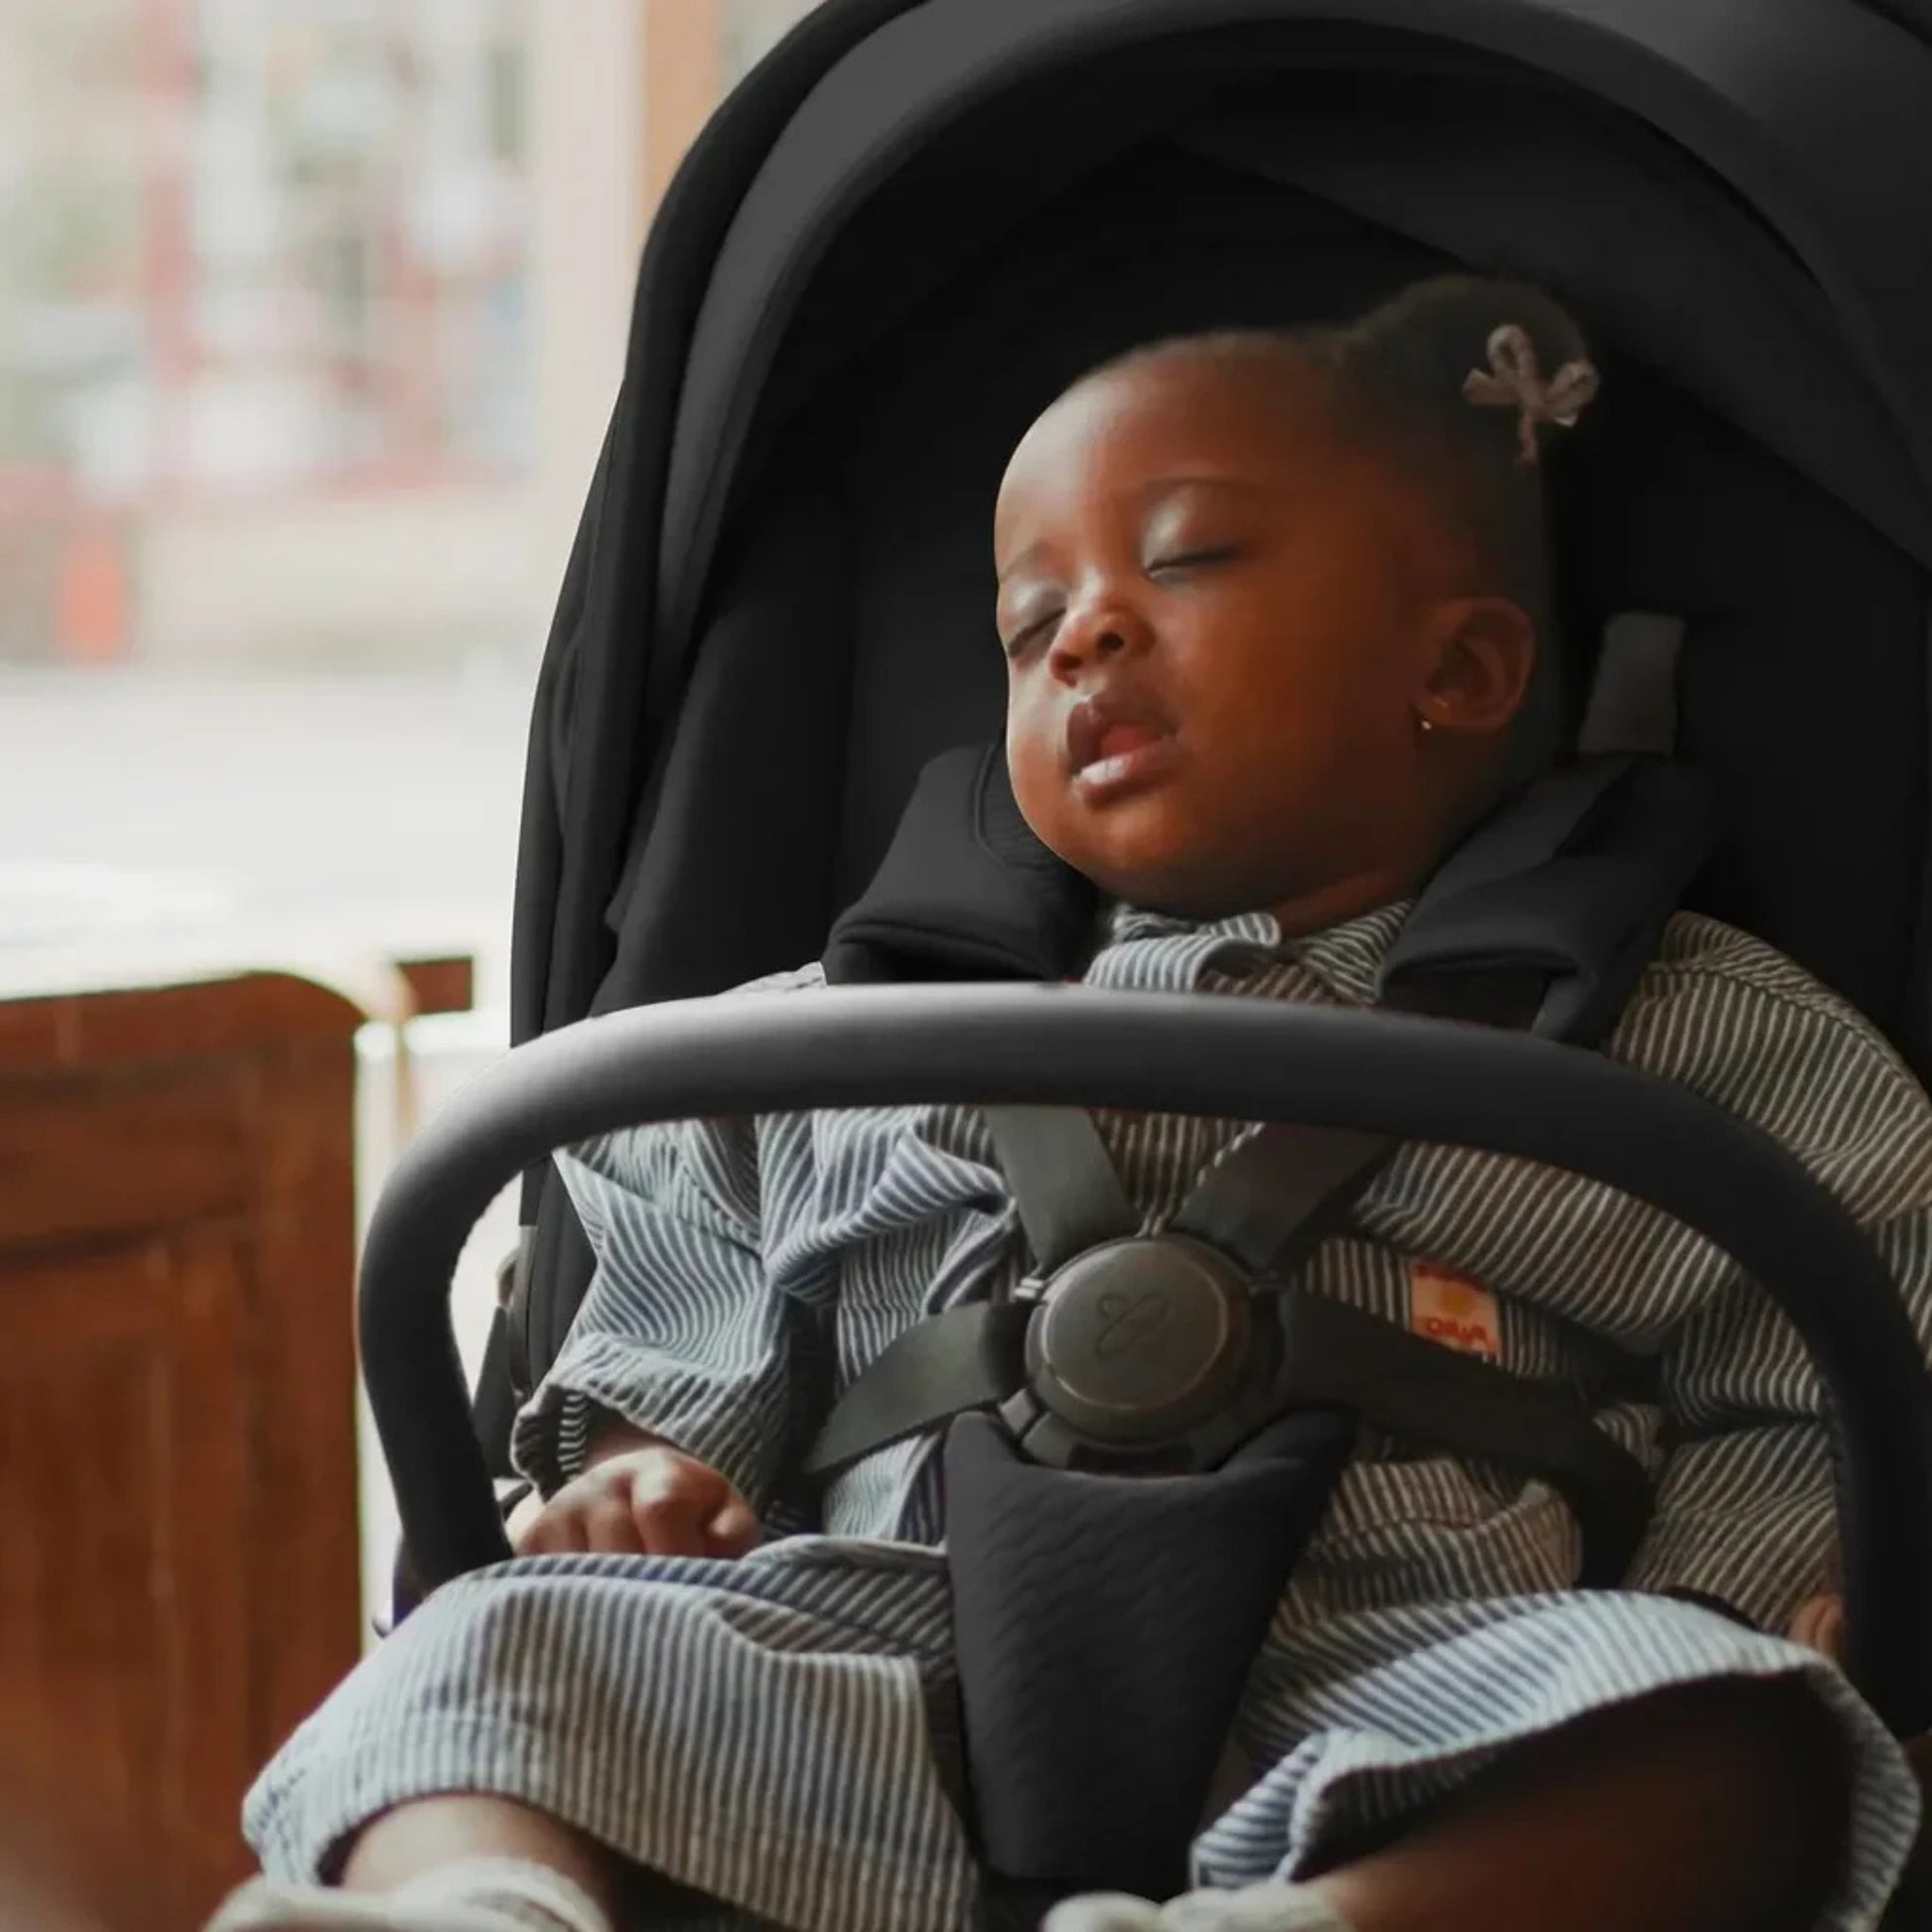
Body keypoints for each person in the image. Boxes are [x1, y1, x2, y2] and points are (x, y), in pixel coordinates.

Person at [210, 276, 1932, 1932]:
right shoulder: (816, 1052)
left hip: (1432, 1682)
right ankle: (486, 1908)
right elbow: (686, 1307)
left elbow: (1820, 1373)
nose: (1086, 629)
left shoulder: (1678, 1038)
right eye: (1030, 627)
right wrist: (645, 1474)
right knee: (482, 1644)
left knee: (1747, 1738)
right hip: (873, 1681)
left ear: (1462, 671)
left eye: (1185, 559)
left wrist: (1725, 1601)